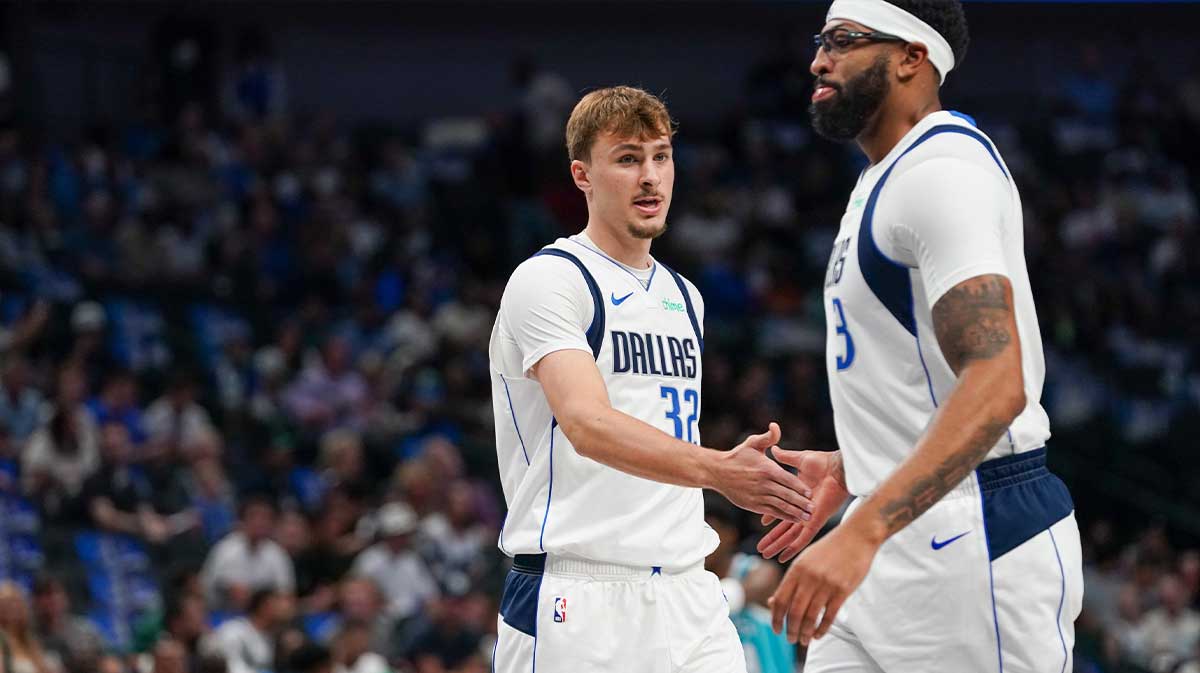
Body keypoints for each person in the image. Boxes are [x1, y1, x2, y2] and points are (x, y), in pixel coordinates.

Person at [758, 2, 1084, 672]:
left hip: (974, 537)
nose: (819, 59)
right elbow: (923, 372)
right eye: (821, 41)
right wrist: (858, 466)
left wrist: (867, 525)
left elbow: (997, 385)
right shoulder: (882, 178)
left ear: (912, 56)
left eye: (844, 42)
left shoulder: (942, 172)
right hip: (888, 529)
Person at [487, 85, 813, 673]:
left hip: (687, 587)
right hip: (577, 592)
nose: (651, 177)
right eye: (628, 158)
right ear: (582, 176)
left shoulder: (684, 296)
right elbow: (587, 423)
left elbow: (659, 424)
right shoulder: (550, 279)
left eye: (661, 156)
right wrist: (718, 470)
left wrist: (740, 466)